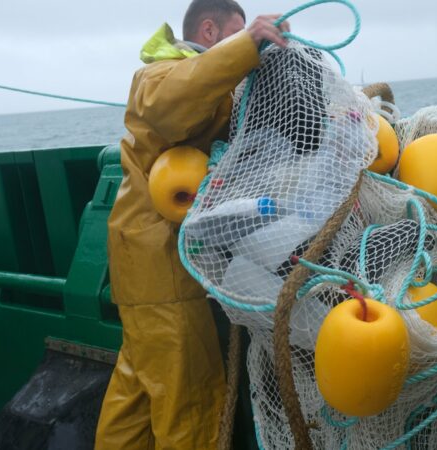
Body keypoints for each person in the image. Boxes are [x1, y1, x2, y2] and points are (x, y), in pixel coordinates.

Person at [96, 1, 290, 448]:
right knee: (190, 399)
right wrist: (248, 44)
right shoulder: (159, 75)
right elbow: (173, 103)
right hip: (161, 266)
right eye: (235, 32)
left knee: (139, 390)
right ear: (208, 30)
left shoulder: (197, 81)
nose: (246, 46)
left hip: (143, 265)